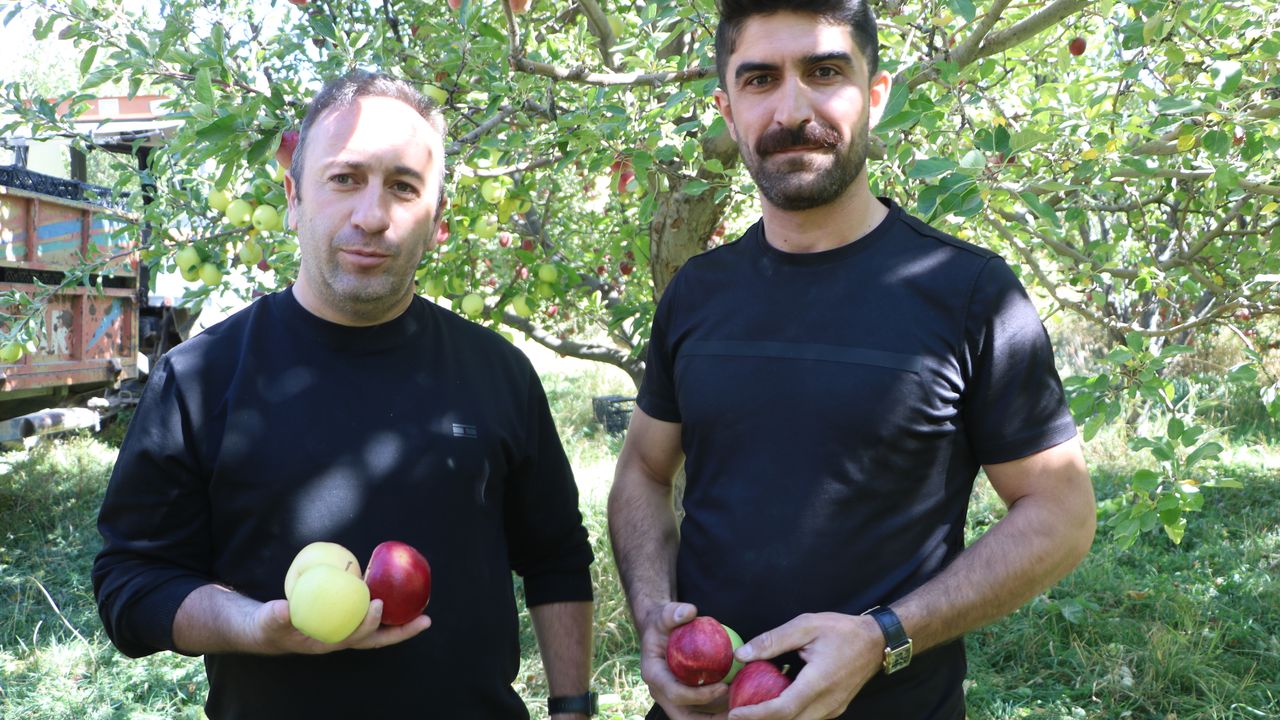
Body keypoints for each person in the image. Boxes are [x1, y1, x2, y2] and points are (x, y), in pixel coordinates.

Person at [606, 2, 1096, 719]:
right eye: (760, 80)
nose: (792, 109)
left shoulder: (968, 293)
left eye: (825, 72)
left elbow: (1061, 512)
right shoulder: (697, 293)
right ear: (728, 110)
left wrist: (883, 636)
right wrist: (654, 615)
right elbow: (644, 473)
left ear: (875, 94)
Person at [93, 70, 598, 719]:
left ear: (437, 220)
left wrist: (573, 707)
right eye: (345, 178)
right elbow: (130, 584)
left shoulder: (499, 373)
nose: (372, 216)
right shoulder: (199, 378)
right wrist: (252, 625)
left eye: (404, 187)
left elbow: (557, 557)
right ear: (294, 197)